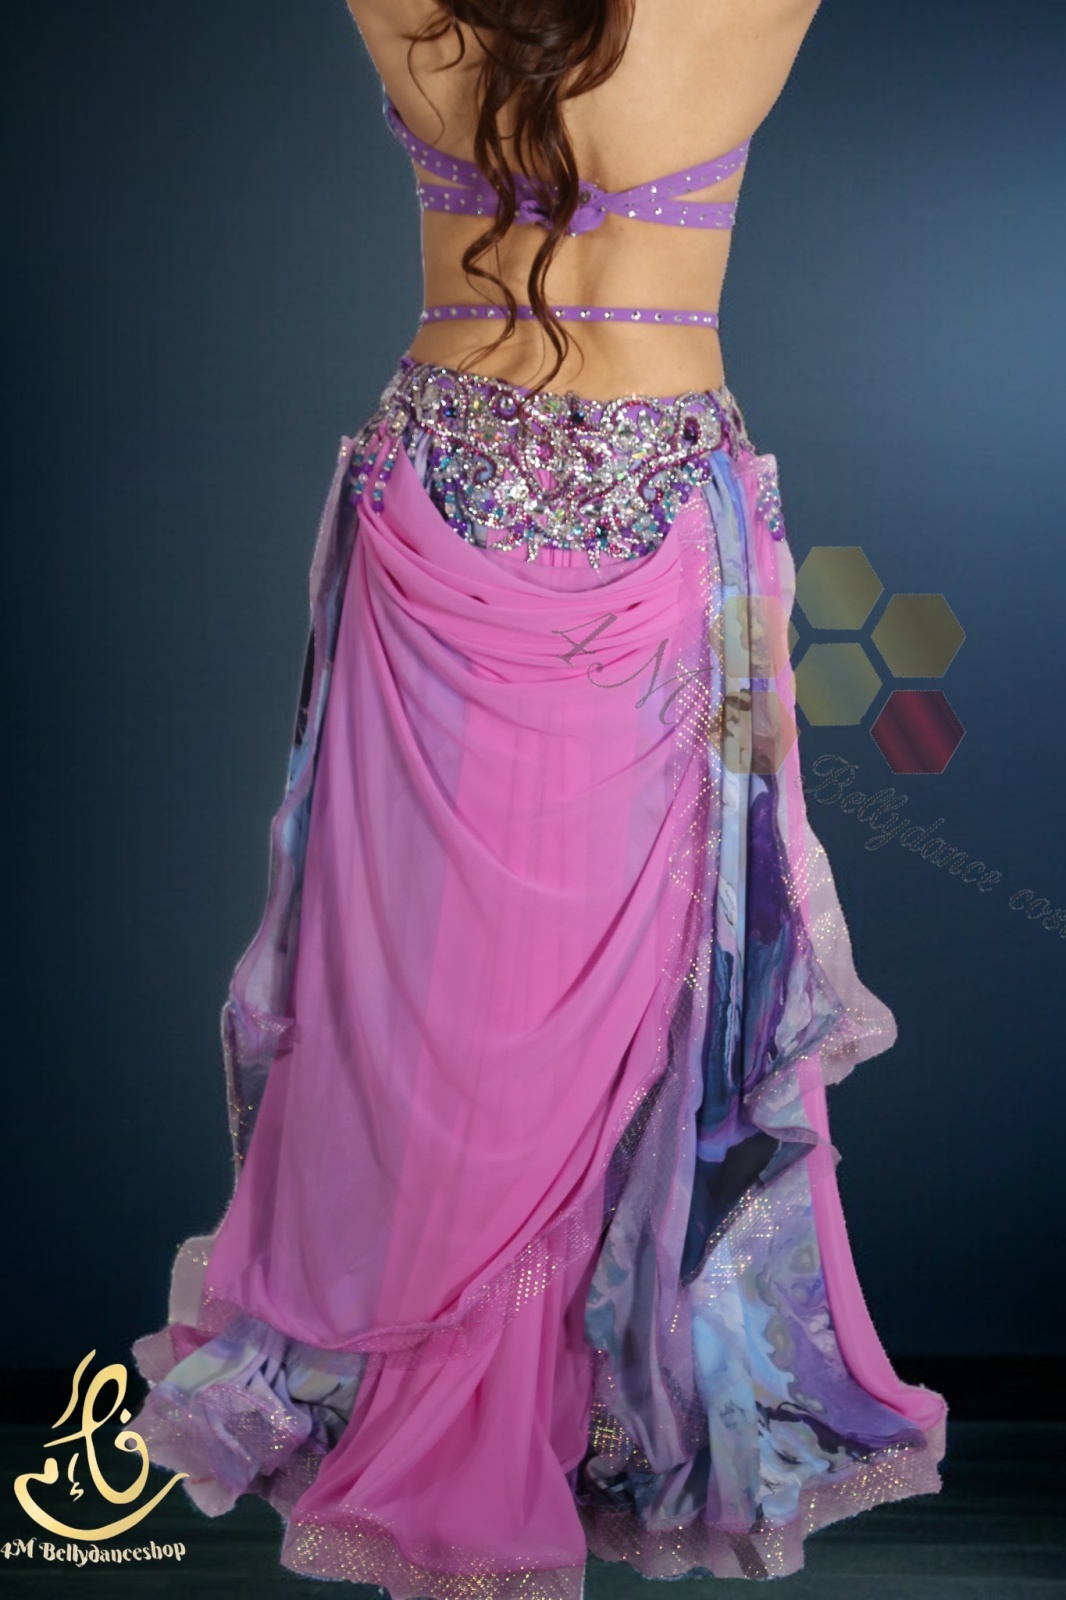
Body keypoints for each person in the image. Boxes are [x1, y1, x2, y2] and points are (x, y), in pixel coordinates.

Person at [128, 1, 949, 1593]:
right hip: (645, 499)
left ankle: (491, 1408)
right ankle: (527, 1417)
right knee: (618, 991)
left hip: (438, 486)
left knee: (428, 997)